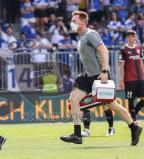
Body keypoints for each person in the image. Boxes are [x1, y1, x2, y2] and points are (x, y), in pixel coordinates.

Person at [59, 11, 142, 145]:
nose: (72, 23)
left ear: (82, 22)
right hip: (89, 76)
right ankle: (77, 134)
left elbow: (104, 51)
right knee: (73, 99)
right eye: (72, 21)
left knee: (113, 105)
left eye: (74, 21)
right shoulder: (82, 37)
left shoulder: (91, 34)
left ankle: (134, 127)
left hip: (98, 76)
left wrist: (104, 71)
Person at [119, 29, 144, 121]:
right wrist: (121, 80)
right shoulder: (123, 49)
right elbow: (121, 66)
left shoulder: (139, 48)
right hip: (129, 80)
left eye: (133, 36)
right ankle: (133, 120)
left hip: (140, 78)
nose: (132, 38)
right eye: (130, 36)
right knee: (131, 100)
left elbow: (141, 62)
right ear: (127, 37)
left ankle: (135, 113)